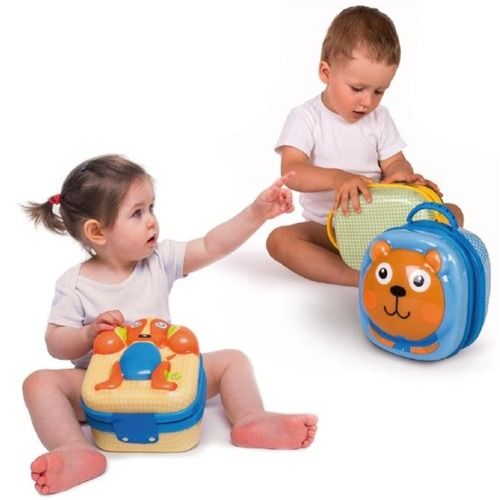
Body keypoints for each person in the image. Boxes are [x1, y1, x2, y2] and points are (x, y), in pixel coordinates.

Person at [22, 155, 318, 495]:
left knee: (232, 360)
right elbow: (55, 343)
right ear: (97, 232)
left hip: (171, 377)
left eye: (151, 208)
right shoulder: (74, 284)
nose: (152, 221)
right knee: (38, 383)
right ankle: (74, 449)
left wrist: (256, 213)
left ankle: (251, 418)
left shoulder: (159, 260)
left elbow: (212, 244)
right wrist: (87, 334)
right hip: (100, 385)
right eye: (137, 213)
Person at [266, 5, 463, 286]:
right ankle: (362, 277)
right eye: (357, 89)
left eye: (379, 91)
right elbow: (293, 172)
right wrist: (338, 179)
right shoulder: (305, 118)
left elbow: (394, 162)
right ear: (326, 72)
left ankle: (404, 261)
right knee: (279, 240)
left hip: (382, 227)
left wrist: (403, 177)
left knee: (453, 213)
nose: (367, 102)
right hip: (328, 229)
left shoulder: (379, 118)